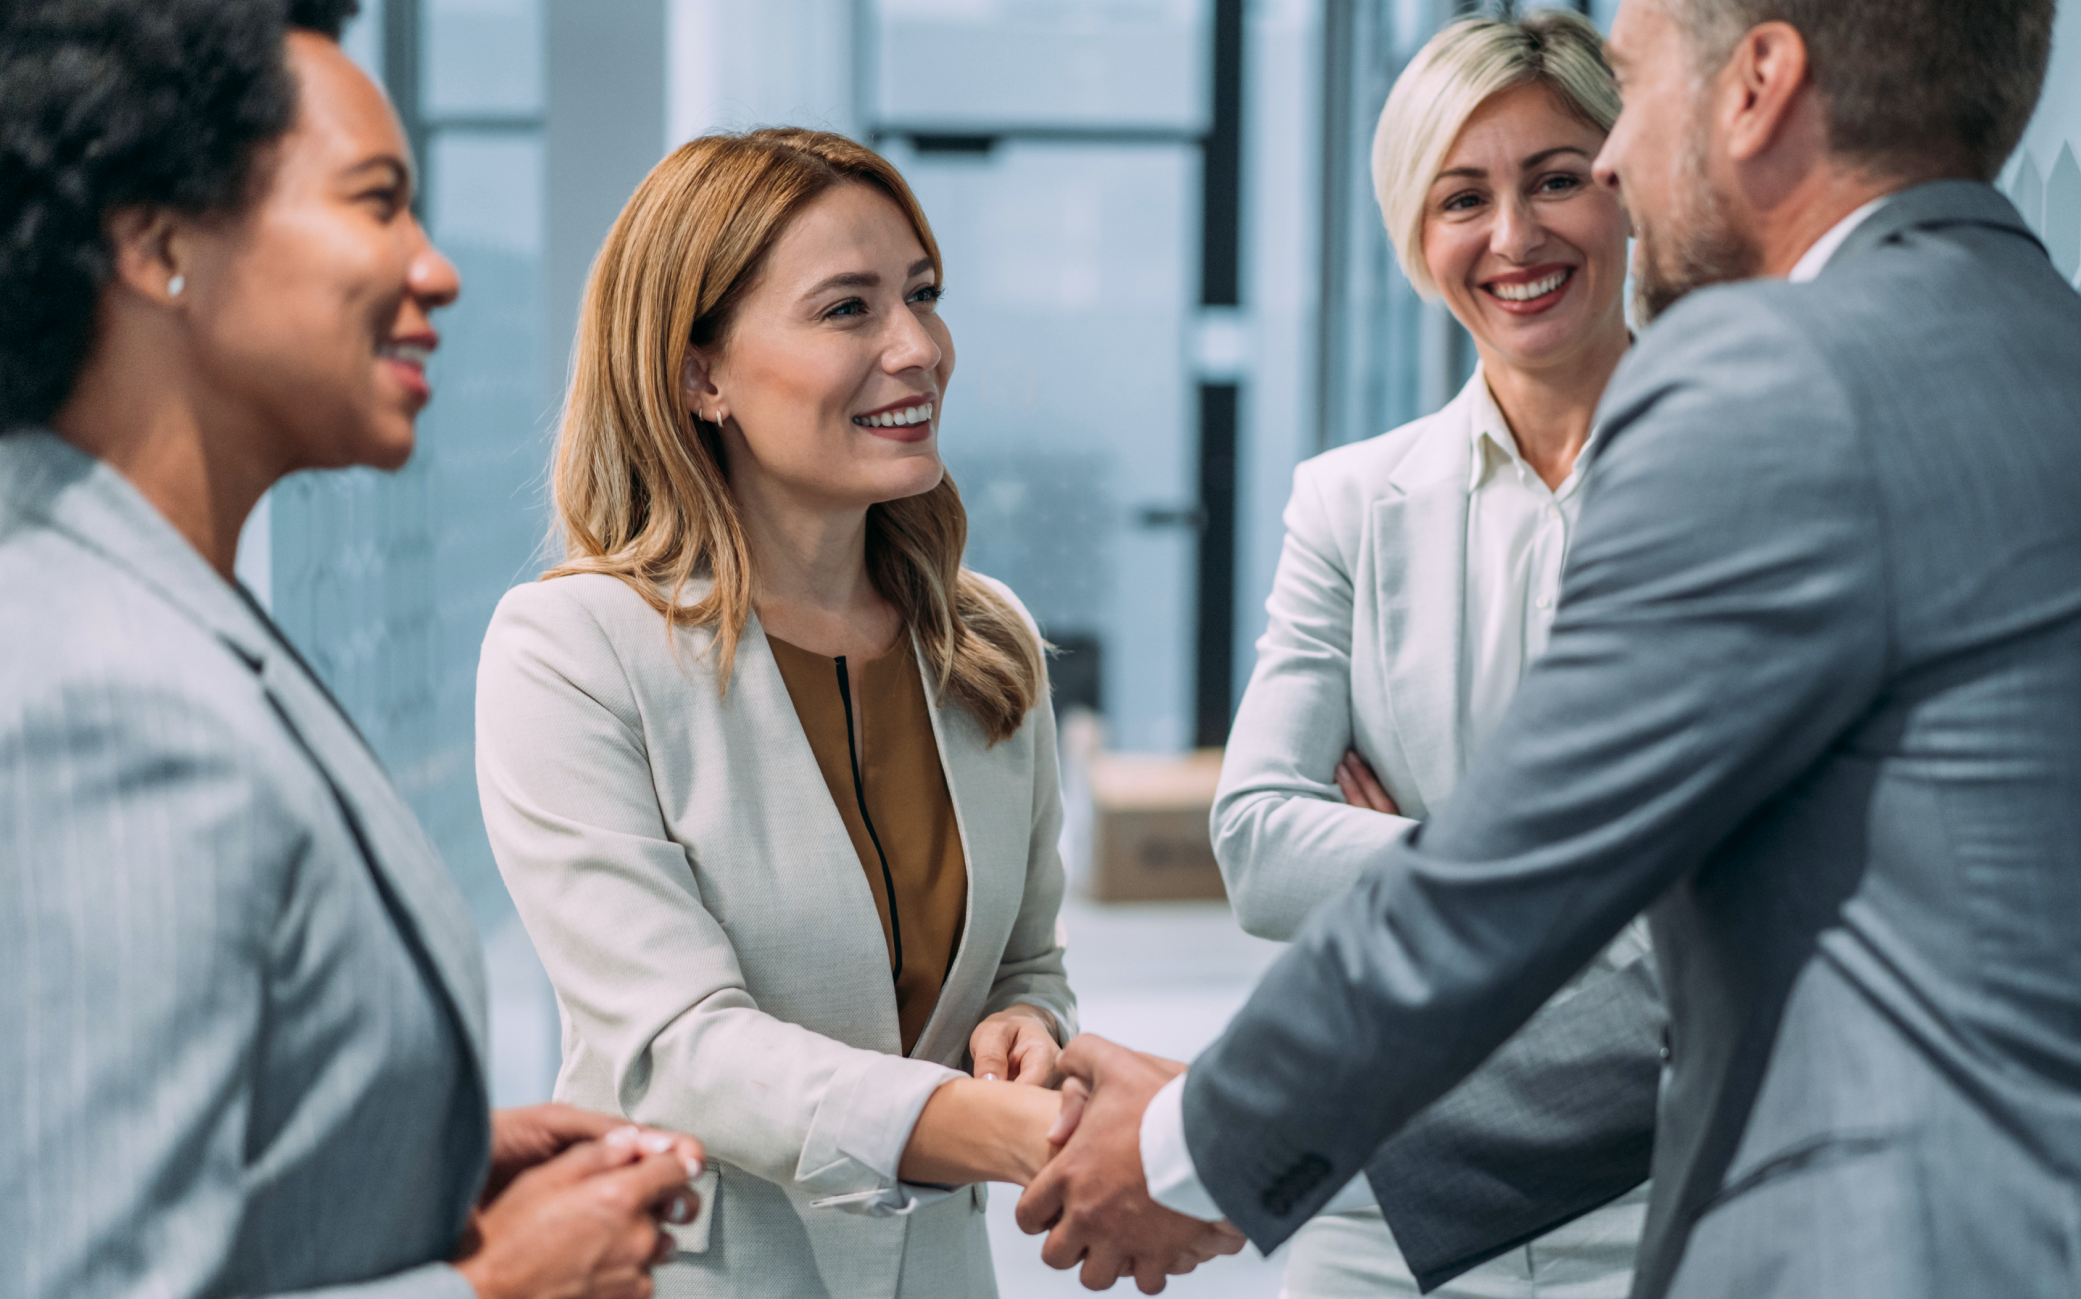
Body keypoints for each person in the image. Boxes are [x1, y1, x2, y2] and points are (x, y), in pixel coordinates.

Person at [1022, 0, 2081, 1295]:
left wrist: (1186, 1148)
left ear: (1755, 85)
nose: (1623, 158)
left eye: (1628, 96)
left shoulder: (1780, 377)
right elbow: (1682, 985)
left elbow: (1513, 879)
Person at [0, 3, 705, 1298]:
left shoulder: (154, 610)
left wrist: (406, 1168)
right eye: (377, 203)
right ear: (160, 243)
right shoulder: (103, 696)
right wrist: (496, 1286)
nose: (434, 268)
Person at [473, 128, 1193, 1299]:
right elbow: (679, 1051)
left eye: (921, 295)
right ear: (699, 373)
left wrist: (1025, 1031)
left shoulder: (985, 638)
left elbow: (1028, 962)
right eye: (846, 309)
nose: (916, 349)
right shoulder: (574, 651)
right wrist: (1031, 1137)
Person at [1209, 14, 1662, 1297]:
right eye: (1462, 197)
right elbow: (1253, 844)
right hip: (1374, 1186)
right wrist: (1584, 872)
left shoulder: (1735, 474)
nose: (1512, 239)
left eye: (1555, 179)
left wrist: (1419, 852)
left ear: (1625, 186)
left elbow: (1722, 887)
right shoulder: (1349, 502)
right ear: (1416, 233)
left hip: (1650, 1176)